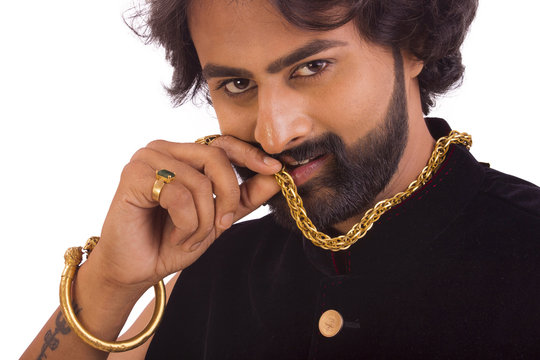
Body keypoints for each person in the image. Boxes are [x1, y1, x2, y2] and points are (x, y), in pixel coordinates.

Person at [21, 0, 540, 359]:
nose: (273, 134)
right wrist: (111, 279)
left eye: (312, 67)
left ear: (414, 43)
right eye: (237, 84)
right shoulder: (216, 265)